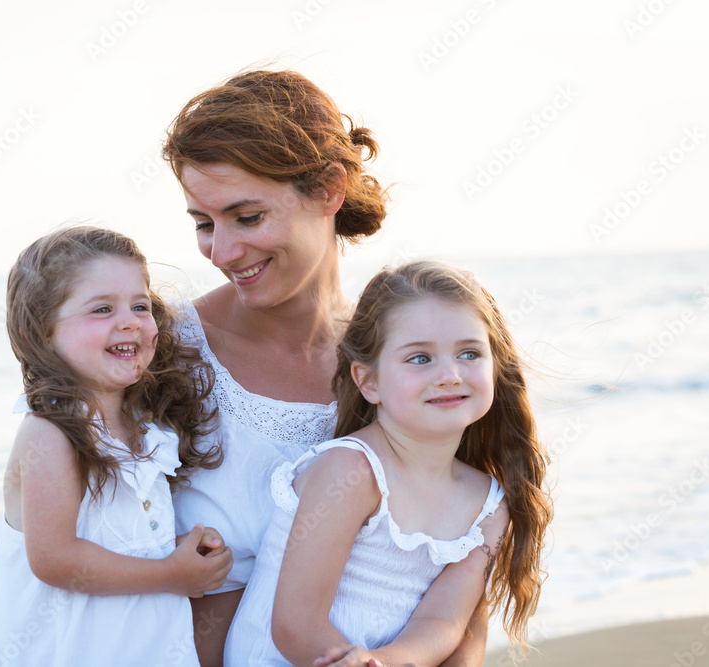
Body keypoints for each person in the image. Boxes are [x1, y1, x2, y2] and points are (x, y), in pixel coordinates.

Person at [162, 69, 490, 666]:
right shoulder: (160, 355)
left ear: (329, 190)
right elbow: (56, 545)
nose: (223, 252)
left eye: (248, 216)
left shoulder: (408, 366)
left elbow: (456, 568)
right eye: (204, 224)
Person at [224, 261, 553, 666]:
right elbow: (296, 624)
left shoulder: (488, 504)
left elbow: (445, 622)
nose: (450, 374)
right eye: (419, 358)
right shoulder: (351, 472)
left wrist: (386, 662)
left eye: (469, 353)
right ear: (369, 381)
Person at [0, 226, 233, 666]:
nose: (130, 321)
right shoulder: (50, 432)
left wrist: (177, 550)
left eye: (140, 306)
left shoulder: (143, 427)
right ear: (42, 333)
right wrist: (169, 574)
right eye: (101, 309)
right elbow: (56, 559)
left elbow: (116, 539)